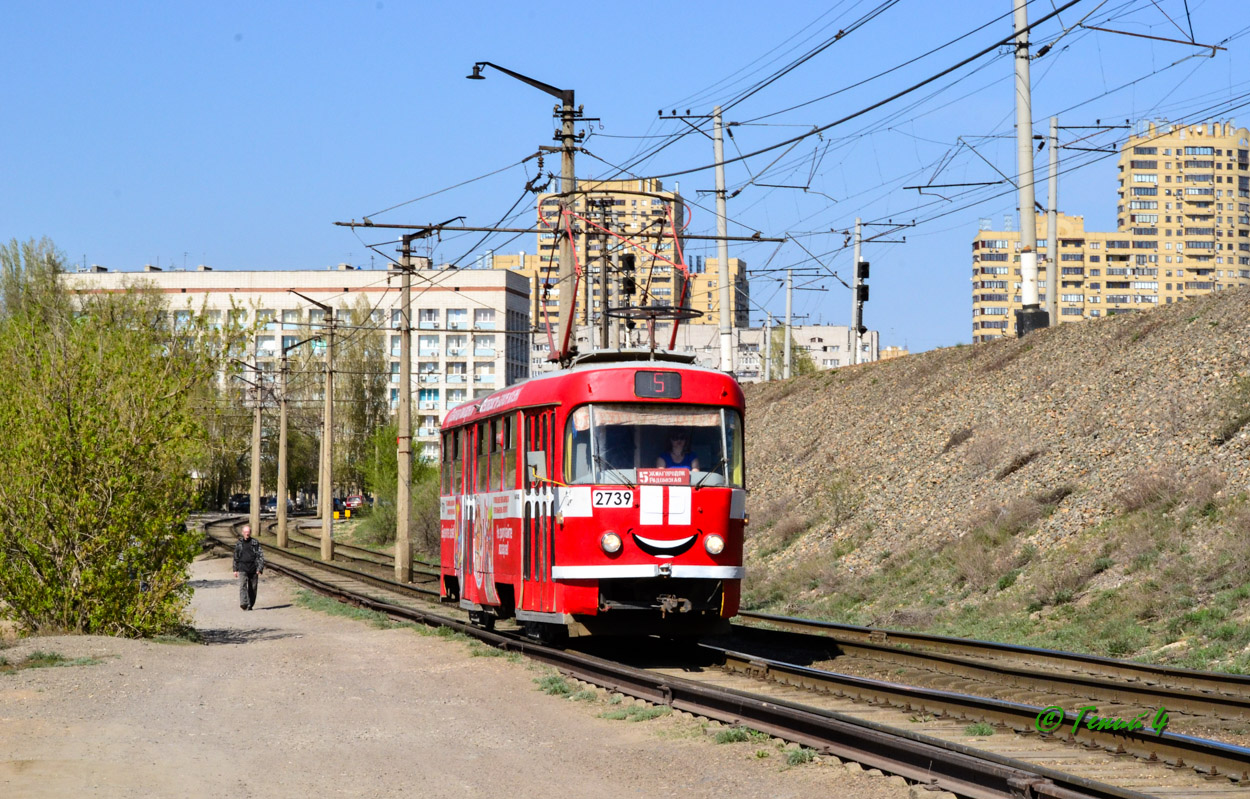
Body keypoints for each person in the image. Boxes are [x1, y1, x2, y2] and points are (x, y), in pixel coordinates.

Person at [232, 524, 264, 611]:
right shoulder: (239, 543)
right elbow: (236, 557)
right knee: (242, 585)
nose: (247, 534)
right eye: (245, 532)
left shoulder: (255, 543)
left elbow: (260, 556)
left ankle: (250, 604)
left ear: (250, 533)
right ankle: (244, 603)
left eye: (248, 532)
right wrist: (235, 569)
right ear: (242, 533)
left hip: (253, 568)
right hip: (242, 567)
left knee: (253, 587)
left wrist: (259, 568)